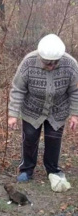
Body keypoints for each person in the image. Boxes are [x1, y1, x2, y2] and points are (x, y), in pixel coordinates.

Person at [8, 34, 78, 191]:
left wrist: (75, 114)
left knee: (54, 141)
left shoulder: (71, 65)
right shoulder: (28, 62)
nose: (51, 66)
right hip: (32, 109)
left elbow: (75, 91)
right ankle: (27, 169)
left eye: (54, 63)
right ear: (40, 57)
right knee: (30, 139)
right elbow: (18, 89)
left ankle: (52, 170)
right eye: (47, 63)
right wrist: (13, 114)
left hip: (58, 110)